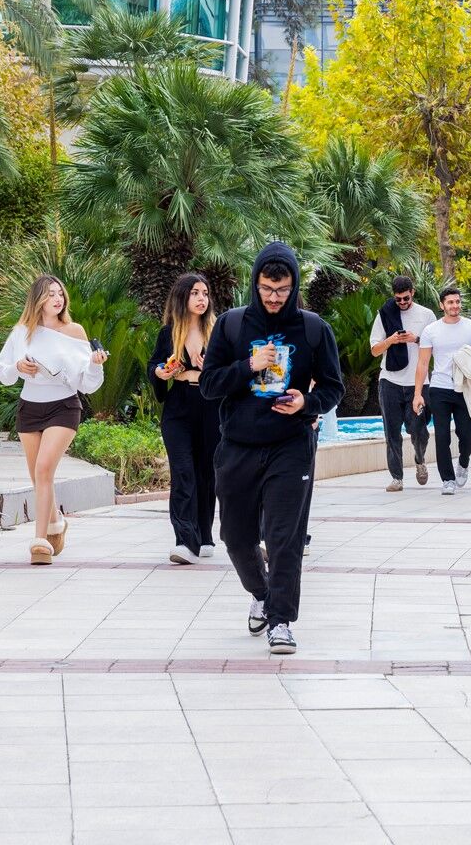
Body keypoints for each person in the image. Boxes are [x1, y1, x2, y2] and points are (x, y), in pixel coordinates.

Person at [200, 243, 344, 655]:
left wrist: (307, 404)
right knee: (235, 537)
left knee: (285, 538)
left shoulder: (314, 328)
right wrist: (249, 366)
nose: (274, 298)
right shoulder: (231, 325)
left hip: (291, 445)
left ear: (294, 285)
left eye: (282, 290)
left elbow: (334, 387)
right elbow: (209, 385)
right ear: (255, 284)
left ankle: (281, 621)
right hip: (238, 446)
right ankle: (261, 592)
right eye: (267, 288)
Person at [0, 275, 107, 565]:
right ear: (38, 300)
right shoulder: (22, 332)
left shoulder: (75, 331)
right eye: (50, 294)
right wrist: (19, 367)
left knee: (44, 468)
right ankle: (56, 524)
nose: (58, 299)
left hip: (64, 406)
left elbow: (88, 384)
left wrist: (95, 367)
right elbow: (3, 371)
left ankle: (39, 540)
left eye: (60, 294)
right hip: (30, 407)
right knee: (37, 475)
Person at [149, 273, 221, 565]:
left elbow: (232, 370)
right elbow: (154, 364)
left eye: (204, 293)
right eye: (195, 293)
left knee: (207, 474)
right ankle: (184, 540)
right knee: (183, 472)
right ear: (182, 297)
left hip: (210, 406)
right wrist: (160, 373)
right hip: (179, 407)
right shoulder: (168, 333)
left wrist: (211, 369)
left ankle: (204, 535)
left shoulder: (218, 331)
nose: (202, 298)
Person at [412, 287, 471, 495]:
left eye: (457, 302)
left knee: (467, 434)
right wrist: (417, 394)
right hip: (439, 388)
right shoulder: (431, 330)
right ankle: (447, 479)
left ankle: (463, 463)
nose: (455, 306)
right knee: (441, 437)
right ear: (442, 305)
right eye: (450, 302)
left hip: (466, 388)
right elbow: (422, 363)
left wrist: (470, 360)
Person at [369, 275, 434, 492]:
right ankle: (397, 477)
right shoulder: (385, 313)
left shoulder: (426, 315)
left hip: (418, 382)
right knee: (392, 432)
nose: (402, 303)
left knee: (419, 429)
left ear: (413, 292)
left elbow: (435, 345)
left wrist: (415, 339)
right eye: (398, 299)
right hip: (390, 380)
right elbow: (374, 350)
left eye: (406, 298)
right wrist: (391, 340)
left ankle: (419, 458)